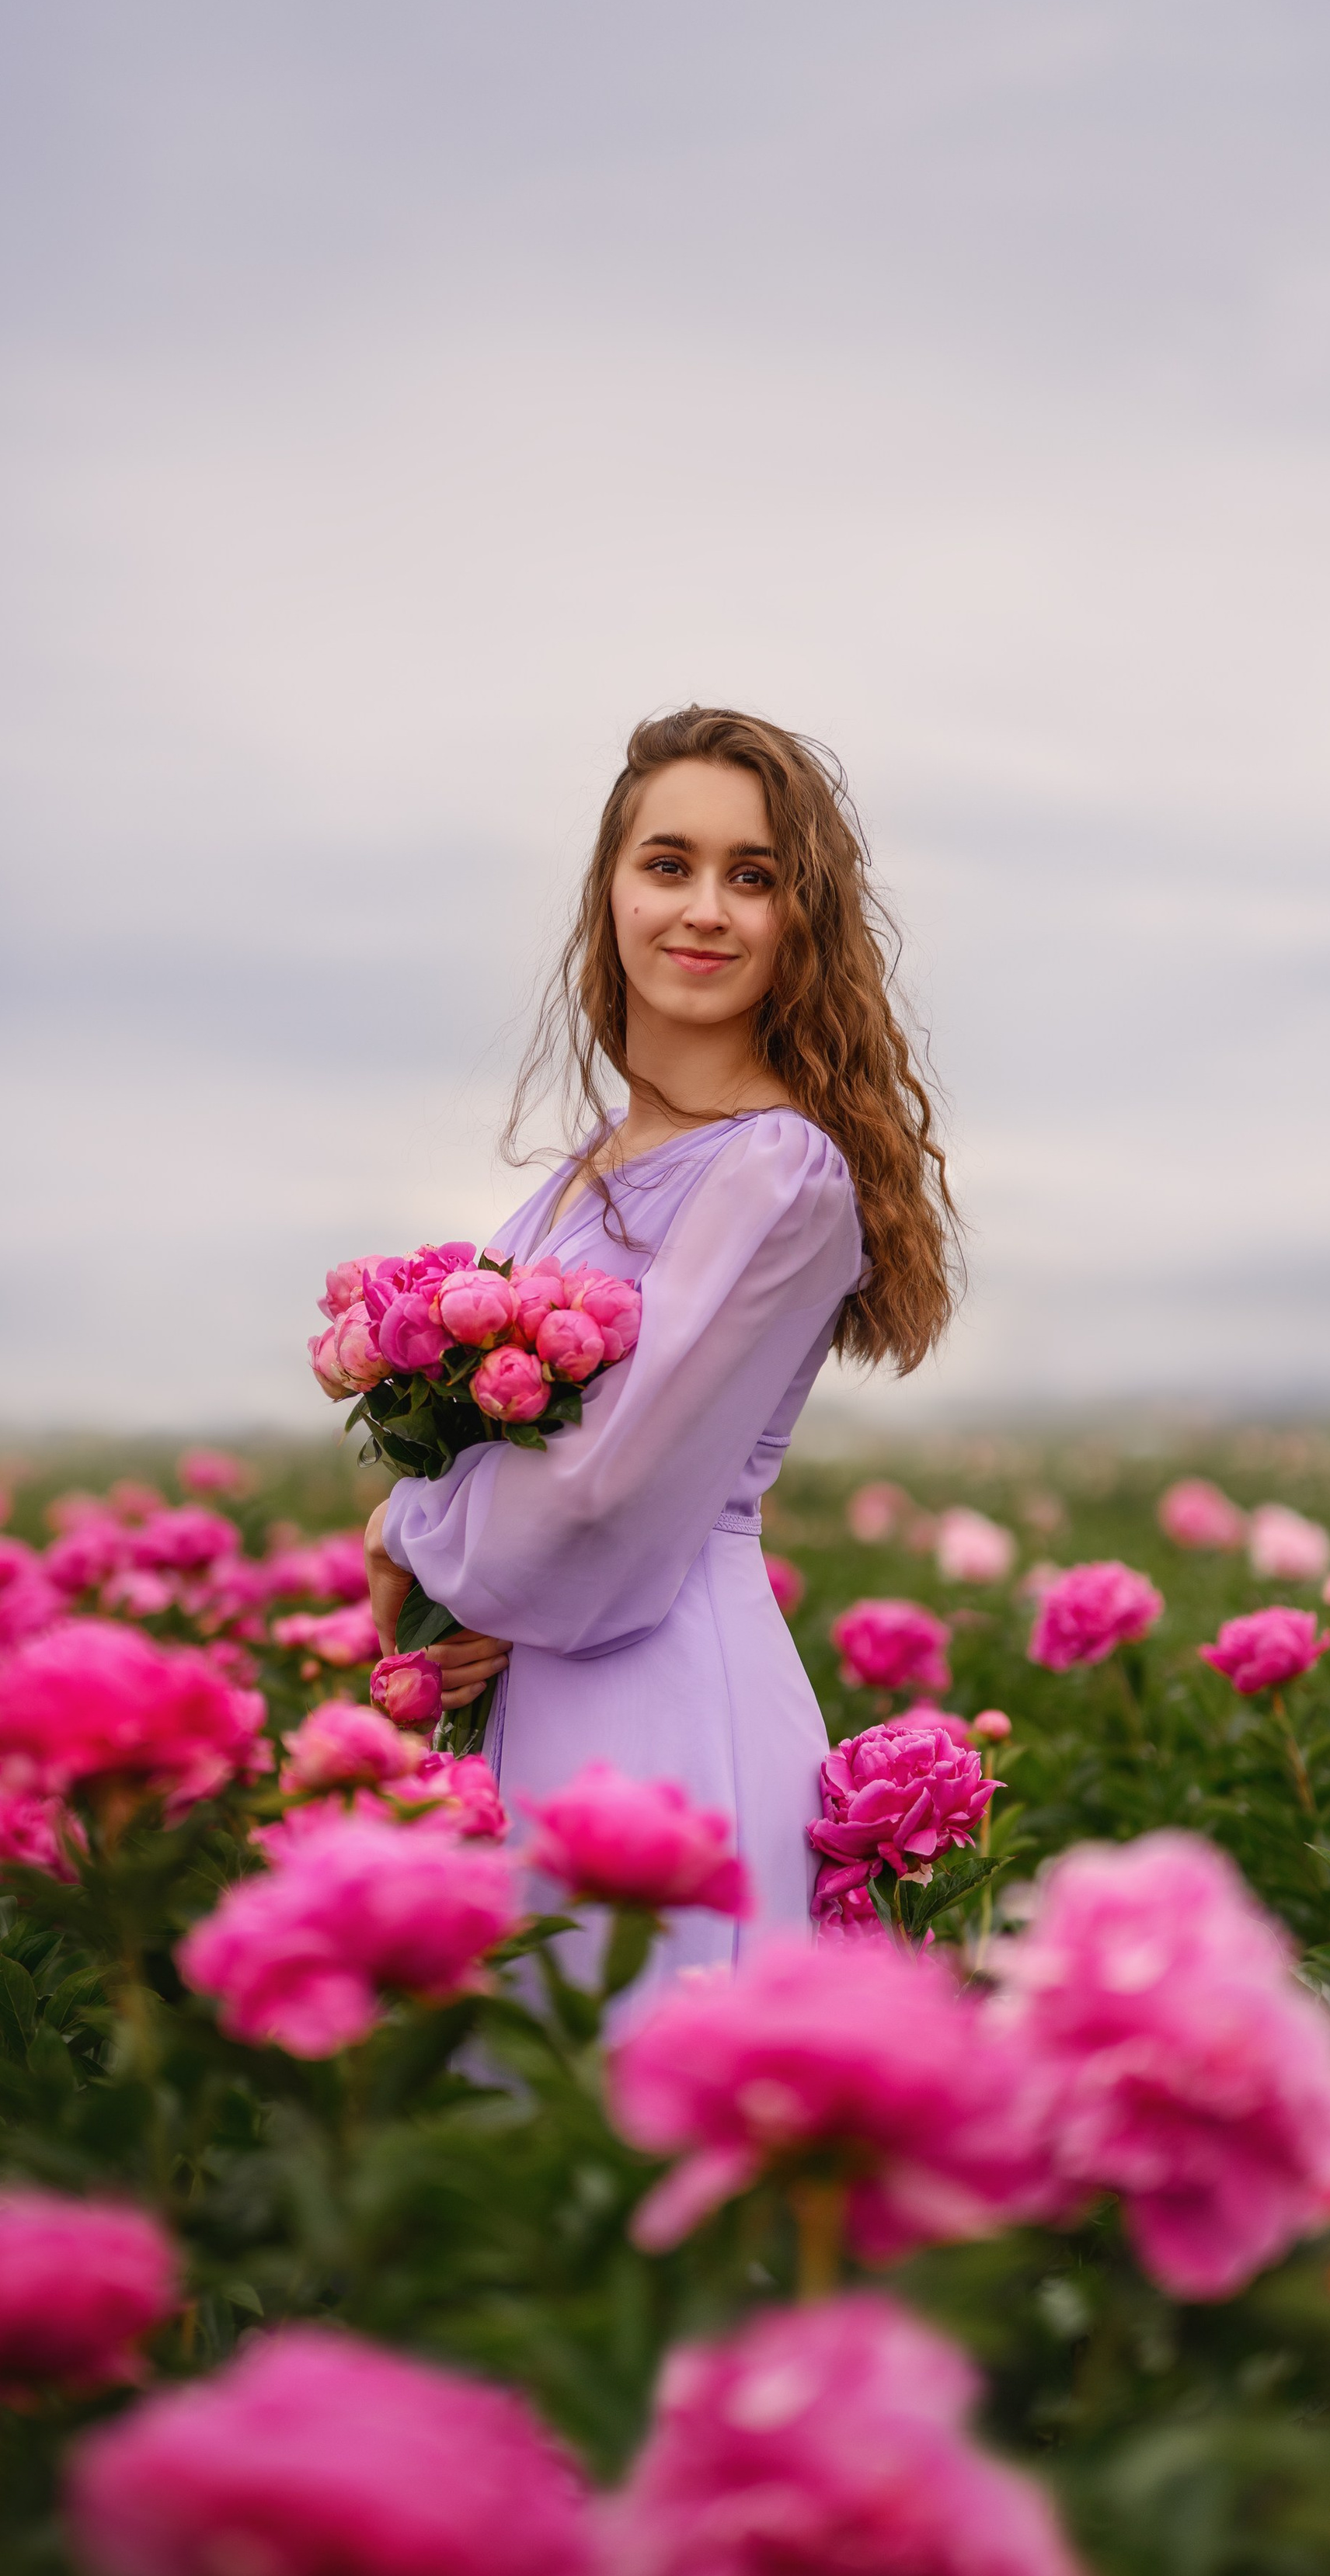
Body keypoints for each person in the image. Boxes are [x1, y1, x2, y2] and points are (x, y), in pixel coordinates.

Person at [366, 704, 958, 1975]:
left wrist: (401, 1533)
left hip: (663, 1711)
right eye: (668, 864)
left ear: (803, 920)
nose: (704, 908)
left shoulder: (780, 1172)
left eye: (753, 878)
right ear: (612, 892)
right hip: (527, 1700)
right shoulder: (584, 1172)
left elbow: (601, 1510)